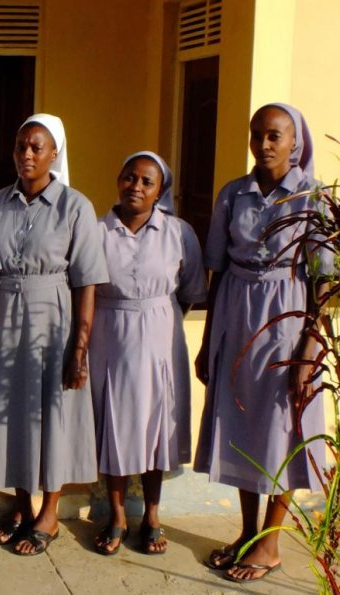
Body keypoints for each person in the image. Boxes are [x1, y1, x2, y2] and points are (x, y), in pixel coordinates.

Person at [194, 103, 327, 583]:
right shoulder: (234, 194)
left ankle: (270, 543)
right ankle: (248, 534)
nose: (264, 145)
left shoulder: (312, 198)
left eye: (274, 136)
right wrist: (209, 341)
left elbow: (327, 286)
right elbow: (218, 270)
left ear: (295, 143)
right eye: (257, 135)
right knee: (242, 428)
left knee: (279, 431)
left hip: (286, 324)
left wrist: (309, 352)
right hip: (235, 316)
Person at [0, 113, 108, 556]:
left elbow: (86, 282)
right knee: (10, 411)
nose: (27, 155)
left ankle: (49, 513)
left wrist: (80, 347)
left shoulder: (75, 206)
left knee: (52, 416)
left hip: (53, 319)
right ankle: (21, 504)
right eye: (21, 147)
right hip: (2, 315)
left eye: (37, 147)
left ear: (56, 153)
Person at [89, 151, 207, 556]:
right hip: (109, 334)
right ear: (118, 180)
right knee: (114, 424)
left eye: (146, 181)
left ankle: (152, 515)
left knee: (158, 425)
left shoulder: (179, 233)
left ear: (160, 190)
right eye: (129, 177)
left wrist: (156, 315)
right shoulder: (96, 230)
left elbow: (191, 290)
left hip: (160, 333)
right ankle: (117, 515)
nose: (135, 187)